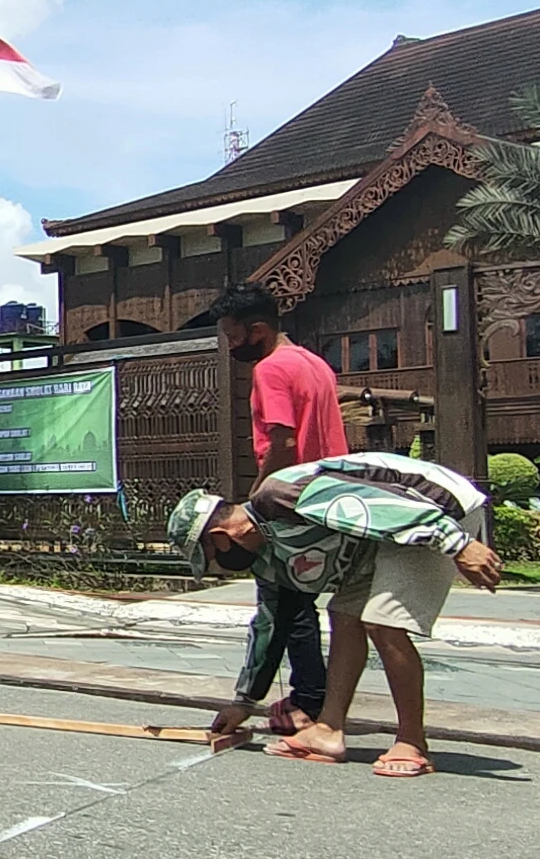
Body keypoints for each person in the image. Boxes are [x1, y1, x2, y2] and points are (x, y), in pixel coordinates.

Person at [170, 452, 503, 778]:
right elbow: (270, 625)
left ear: (221, 538)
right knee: (344, 614)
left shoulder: (281, 495)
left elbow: (379, 505)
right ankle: (328, 731)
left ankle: (412, 741)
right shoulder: (267, 559)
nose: (221, 571)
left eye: (212, 560)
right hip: (381, 539)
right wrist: (244, 702)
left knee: (382, 621)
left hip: (437, 509)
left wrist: (458, 544)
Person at [211, 283, 346, 736]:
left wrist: (257, 500)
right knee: (302, 600)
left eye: (233, 336)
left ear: (258, 330)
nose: (231, 346)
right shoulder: (315, 364)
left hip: (292, 498)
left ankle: (306, 698)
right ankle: (310, 695)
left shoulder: (271, 369)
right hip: (330, 493)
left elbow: (283, 439)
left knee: (282, 601)